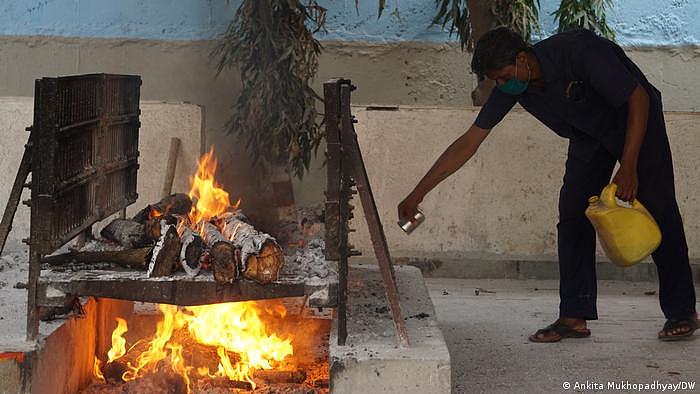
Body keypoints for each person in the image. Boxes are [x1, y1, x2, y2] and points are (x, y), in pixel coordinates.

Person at [398, 27, 698, 342]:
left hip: (636, 120)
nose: (502, 86)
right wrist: (418, 193)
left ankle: (683, 312)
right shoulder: (515, 85)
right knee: (573, 215)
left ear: (523, 58)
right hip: (588, 135)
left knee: (659, 207)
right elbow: (469, 141)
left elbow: (637, 97)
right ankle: (574, 315)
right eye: (496, 81)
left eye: (502, 77)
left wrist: (630, 166)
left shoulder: (578, 52)